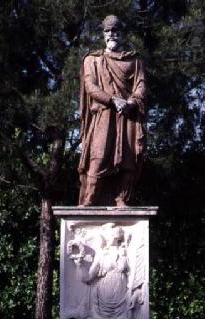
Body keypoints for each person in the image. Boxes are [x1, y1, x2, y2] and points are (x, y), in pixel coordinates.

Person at [78, 15, 147, 206]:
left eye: (115, 30)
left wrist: (131, 102)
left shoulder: (134, 60)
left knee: (128, 160)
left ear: (121, 33)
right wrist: (112, 100)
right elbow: (90, 87)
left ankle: (121, 199)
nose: (111, 34)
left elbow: (140, 86)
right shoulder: (92, 60)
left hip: (128, 116)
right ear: (103, 34)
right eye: (108, 31)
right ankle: (89, 201)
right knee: (98, 156)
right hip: (104, 115)